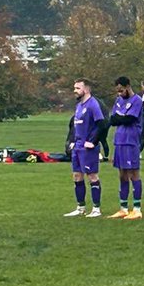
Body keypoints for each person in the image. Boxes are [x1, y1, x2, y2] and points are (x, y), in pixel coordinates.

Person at [64, 78, 105, 218]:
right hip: (78, 146)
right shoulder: (79, 105)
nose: (75, 91)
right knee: (77, 175)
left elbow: (101, 124)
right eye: (74, 88)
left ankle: (96, 209)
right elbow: (76, 125)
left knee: (92, 176)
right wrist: (72, 141)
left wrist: (93, 141)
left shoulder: (93, 104)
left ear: (86, 89)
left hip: (88, 148)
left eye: (78, 88)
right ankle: (80, 207)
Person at [107, 76, 144, 219]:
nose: (120, 93)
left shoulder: (137, 100)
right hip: (119, 141)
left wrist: (120, 118)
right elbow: (113, 120)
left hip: (131, 140)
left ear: (128, 87)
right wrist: (121, 118)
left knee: (133, 174)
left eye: (121, 90)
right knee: (122, 174)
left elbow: (130, 119)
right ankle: (123, 208)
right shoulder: (118, 100)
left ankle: (137, 209)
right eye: (118, 91)